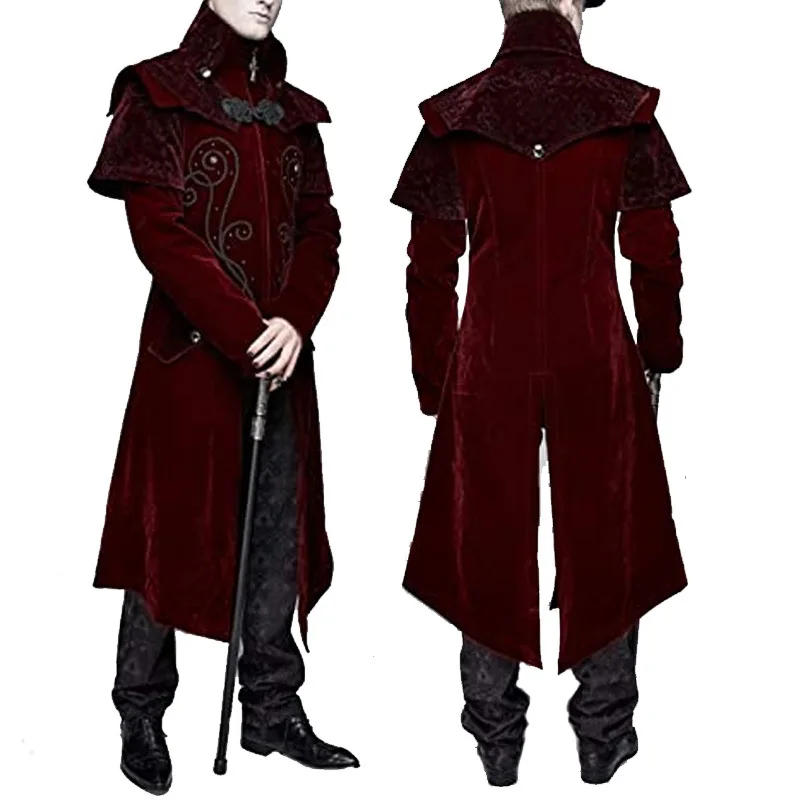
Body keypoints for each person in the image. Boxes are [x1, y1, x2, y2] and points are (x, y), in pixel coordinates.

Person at [390, 0, 690, 786]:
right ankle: (603, 733)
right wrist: (660, 350)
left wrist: (436, 380)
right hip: (595, 348)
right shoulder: (624, 110)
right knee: (607, 538)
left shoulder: (454, 117)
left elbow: (429, 270)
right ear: (566, 6)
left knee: (485, 536)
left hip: (490, 355)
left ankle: (495, 735)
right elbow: (655, 252)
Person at [87, 1, 358, 793]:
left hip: (283, 358)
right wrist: (247, 330)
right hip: (190, 358)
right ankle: (141, 709)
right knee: (166, 532)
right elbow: (159, 231)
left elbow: (321, 228)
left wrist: (294, 321)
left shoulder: (294, 112)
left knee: (277, 529)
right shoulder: (155, 92)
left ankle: (271, 707)